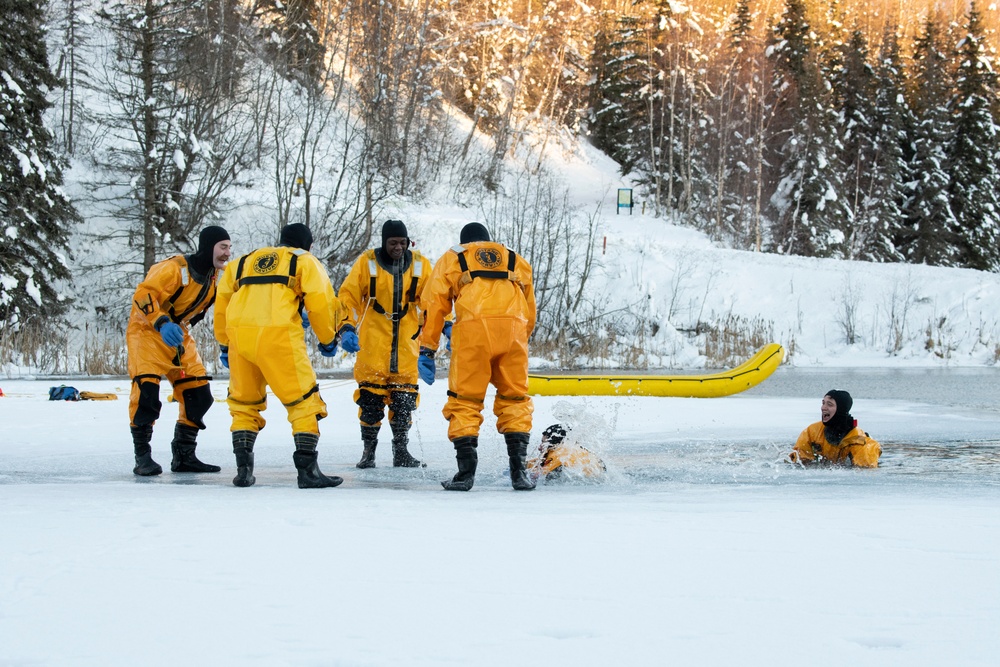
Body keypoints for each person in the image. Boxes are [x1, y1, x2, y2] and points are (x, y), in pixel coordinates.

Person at [214, 223, 344, 489]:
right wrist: (328, 337)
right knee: (304, 402)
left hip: (240, 337)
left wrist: (225, 343)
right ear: (307, 245)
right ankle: (308, 473)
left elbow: (223, 301)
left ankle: (243, 472)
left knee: (244, 404)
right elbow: (320, 300)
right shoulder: (303, 261)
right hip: (279, 337)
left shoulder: (243, 262)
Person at [417, 222, 537, 491]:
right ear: (487, 240)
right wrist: (520, 338)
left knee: (465, 400)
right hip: (514, 331)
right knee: (514, 397)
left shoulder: (453, 256)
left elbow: (434, 304)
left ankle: (466, 474)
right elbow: (530, 306)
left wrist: (427, 347)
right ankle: (519, 473)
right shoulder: (514, 257)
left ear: (466, 240)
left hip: (474, 330)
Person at [127, 225, 231, 476]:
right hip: (148, 333)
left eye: (229, 247)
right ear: (208, 247)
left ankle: (184, 455)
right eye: (222, 247)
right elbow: (143, 295)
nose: (227, 253)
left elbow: (233, 304)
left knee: (199, 395)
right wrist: (161, 322)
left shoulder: (217, 278)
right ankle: (143, 458)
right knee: (147, 395)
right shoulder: (175, 268)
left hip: (179, 336)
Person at [336, 219, 432, 469]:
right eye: (393, 243)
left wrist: (439, 331)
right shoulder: (367, 263)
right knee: (370, 404)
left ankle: (401, 452)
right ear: (383, 242)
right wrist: (346, 327)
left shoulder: (421, 265)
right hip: (372, 347)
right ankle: (368, 453)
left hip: (407, 348)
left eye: (402, 242)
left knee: (403, 405)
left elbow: (434, 301)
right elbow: (348, 296)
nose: (398, 247)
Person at [788, 389, 882, 468]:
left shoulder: (858, 440)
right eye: (823, 403)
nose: (823, 408)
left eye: (829, 404)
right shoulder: (812, 432)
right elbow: (798, 463)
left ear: (841, 409)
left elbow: (863, 473)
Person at [527, 424, 607, 483]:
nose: (539, 448)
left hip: (582, 482)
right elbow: (540, 462)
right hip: (596, 477)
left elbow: (538, 475)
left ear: (553, 442)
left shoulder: (560, 454)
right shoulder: (574, 450)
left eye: (543, 443)